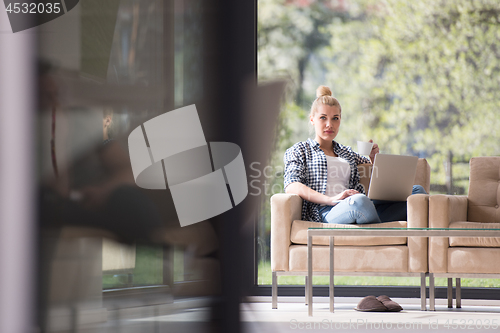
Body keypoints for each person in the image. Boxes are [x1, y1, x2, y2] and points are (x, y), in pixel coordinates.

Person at [283, 85, 426, 224]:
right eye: (323, 118)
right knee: (360, 201)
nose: (329, 124)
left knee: (417, 192)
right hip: (326, 211)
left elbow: (370, 163)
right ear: (312, 119)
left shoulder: (346, 152)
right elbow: (292, 185)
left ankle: (373, 223)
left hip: (359, 203)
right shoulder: (300, 150)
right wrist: (330, 199)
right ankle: (378, 229)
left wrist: (373, 157)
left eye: (335, 118)